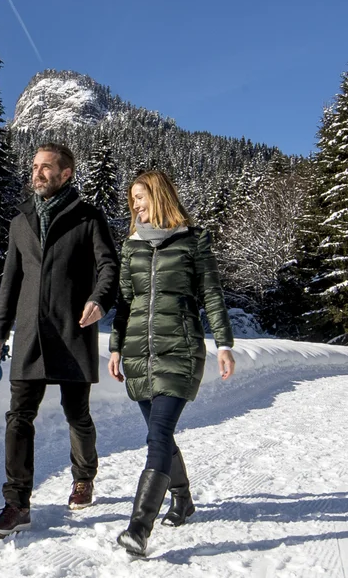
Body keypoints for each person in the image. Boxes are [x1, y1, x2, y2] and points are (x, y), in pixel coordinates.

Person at [0, 142, 119, 538]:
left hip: (73, 329)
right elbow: (11, 281)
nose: (38, 172)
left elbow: (109, 265)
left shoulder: (88, 217)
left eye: (46, 167)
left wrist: (99, 299)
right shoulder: (20, 221)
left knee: (76, 414)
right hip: (28, 335)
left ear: (66, 174)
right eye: (35, 166)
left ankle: (84, 475)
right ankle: (16, 503)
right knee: (19, 416)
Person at [107, 169, 235, 557]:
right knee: (159, 435)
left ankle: (138, 528)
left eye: (141, 197)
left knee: (157, 435)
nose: (135, 205)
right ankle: (183, 498)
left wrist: (224, 344)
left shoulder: (193, 242)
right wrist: (115, 347)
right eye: (132, 199)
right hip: (137, 352)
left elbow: (211, 294)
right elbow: (125, 303)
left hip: (179, 348)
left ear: (160, 197)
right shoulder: (130, 246)